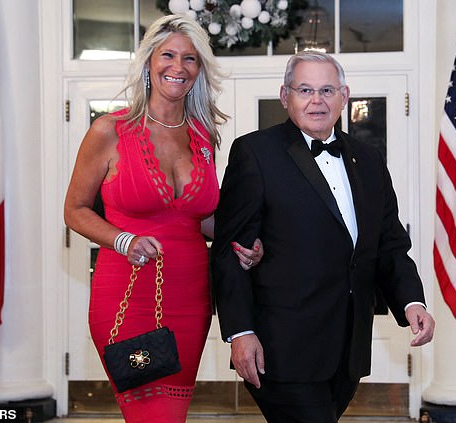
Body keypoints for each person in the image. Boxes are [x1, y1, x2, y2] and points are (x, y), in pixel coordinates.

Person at [211, 51, 435, 423]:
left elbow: (388, 244)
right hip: (281, 348)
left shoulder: (369, 158)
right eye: (305, 90)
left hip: (348, 349)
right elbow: (228, 251)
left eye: (327, 90)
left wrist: (412, 301)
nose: (317, 100)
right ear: (286, 97)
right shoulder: (255, 153)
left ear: (344, 96)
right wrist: (240, 331)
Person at [64, 15, 263, 423]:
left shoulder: (203, 135)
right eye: (168, 54)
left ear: (199, 70)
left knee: (173, 412)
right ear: (148, 63)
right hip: (126, 292)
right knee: (152, 416)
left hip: (190, 297)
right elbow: (74, 210)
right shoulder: (110, 130)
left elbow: (200, 218)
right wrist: (124, 240)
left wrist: (241, 242)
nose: (178, 66)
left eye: (190, 58)